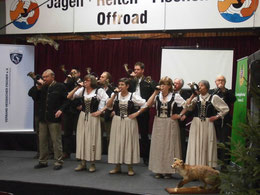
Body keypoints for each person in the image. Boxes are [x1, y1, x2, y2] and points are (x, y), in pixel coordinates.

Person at [146, 77, 186, 179]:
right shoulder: (157, 95)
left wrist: (179, 115)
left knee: (169, 146)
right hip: (158, 122)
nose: (162, 86)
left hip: (170, 123)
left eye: (164, 84)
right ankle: (158, 170)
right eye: (161, 84)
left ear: (169, 86)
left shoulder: (175, 96)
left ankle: (168, 171)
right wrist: (155, 93)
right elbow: (148, 105)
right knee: (158, 146)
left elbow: (187, 105)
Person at [67, 74, 108, 172]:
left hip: (93, 117)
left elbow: (109, 101)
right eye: (85, 81)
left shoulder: (99, 91)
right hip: (82, 116)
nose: (85, 82)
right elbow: (69, 96)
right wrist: (78, 86)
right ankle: (83, 162)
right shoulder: (82, 90)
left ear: (92, 82)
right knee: (82, 138)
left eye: (88, 81)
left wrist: (100, 111)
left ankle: (92, 163)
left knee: (92, 139)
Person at [106, 78, 146, 176]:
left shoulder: (133, 96)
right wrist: (114, 94)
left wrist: (137, 113)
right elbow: (108, 105)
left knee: (128, 142)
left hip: (129, 121)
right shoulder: (115, 95)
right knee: (117, 143)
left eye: (122, 84)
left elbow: (145, 104)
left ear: (127, 86)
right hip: (117, 120)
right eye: (119, 84)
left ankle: (130, 167)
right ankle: (117, 166)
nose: (120, 86)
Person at [185, 80, 229, 168]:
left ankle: (207, 167)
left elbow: (225, 108)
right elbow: (187, 108)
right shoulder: (196, 98)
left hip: (208, 123)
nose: (199, 87)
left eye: (201, 86)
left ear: (207, 87)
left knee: (207, 143)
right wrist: (192, 96)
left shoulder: (213, 97)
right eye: (199, 85)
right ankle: (195, 167)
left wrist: (217, 116)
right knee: (195, 144)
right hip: (196, 124)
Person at [33, 69, 68, 170]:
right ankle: (43, 161)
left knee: (56, 141)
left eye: (46, 77)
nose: (44, 79)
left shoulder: (60, 86)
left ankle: (58, 161)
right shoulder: (42, 87)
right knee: (42, 141)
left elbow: (66, 100)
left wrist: (61, 110)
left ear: (53, 77)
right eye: (43, 77)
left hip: (54, 119)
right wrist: (38, 87)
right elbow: (33, 96)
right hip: (43, 118)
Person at [129, 62, 156, 165]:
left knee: (144, 134)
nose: (136, 71)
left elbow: (156, 87)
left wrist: (147, 81)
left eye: (138, 70)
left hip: (143, 109)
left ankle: (146, 157)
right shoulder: (131, 81)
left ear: (143, 70)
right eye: (135, 70)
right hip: (132, 109)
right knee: (131, 133)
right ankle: (130, 155)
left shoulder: (147, 81)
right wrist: (131, 79)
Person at [213, 75, 236, 165]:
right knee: (213, 141)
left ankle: (225, 163)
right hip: (215, 119)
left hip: (225, 120)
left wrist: (223, 90)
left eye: (222, 80)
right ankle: (213, 162)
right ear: (215, 82)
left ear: (225, 82)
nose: (220, 82)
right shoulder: (214, 92)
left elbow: (233, 100)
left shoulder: (229, 91)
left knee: (224, 142)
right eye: (218, 80)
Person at [62, 68, 82, 159]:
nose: (72, 74)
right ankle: (66, 152)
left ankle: (80, 154)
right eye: (71, 72)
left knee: (79, 133)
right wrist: (66, 81)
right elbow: (65, 95)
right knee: (67, 132)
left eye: (74, 72)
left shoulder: (82, 83)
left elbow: (81, 97)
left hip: (78, 111)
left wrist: (79, 105)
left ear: (79, 74)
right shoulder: (68, 82)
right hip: (68, 111)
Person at [173, 78, 192, 161]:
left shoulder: (186, 93)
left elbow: (190, 105)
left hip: (181, 119)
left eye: (177, 83)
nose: (175, 85)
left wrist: (185, 115)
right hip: (172, 118)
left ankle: (182, 159)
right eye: (174, 83)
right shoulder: (169, 93)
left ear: (181, 85)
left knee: (181, 140)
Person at [98, 71, 114, 152]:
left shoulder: (112, 89)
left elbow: (117, 100)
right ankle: (97, 153)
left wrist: (114, 111)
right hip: (98, 115)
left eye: (102, 77)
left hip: (108, 115)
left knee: (110, 136)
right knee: (97, 136)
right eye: (100, 76)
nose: (100, 78)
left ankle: (111, 154)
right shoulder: (97, 88)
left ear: (107, 80)